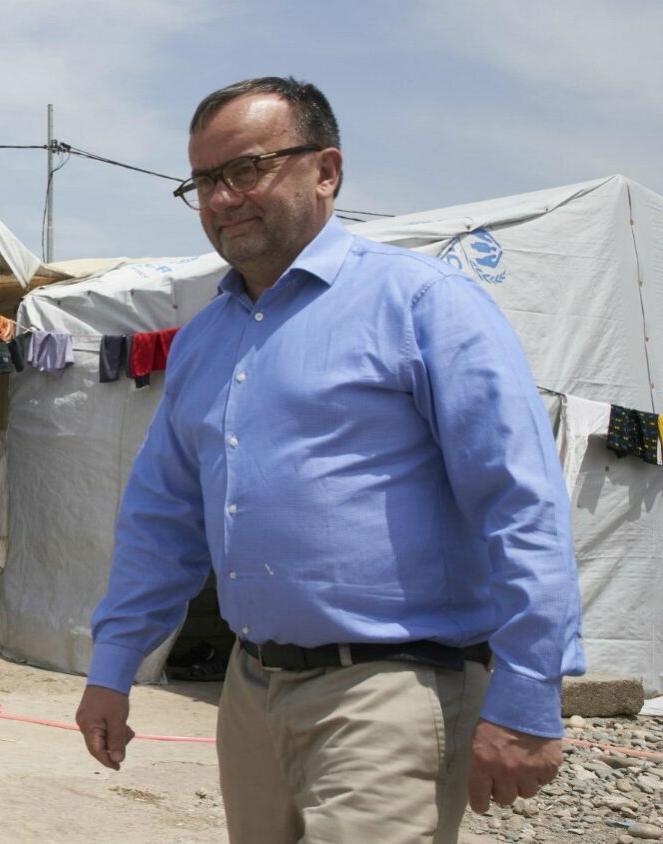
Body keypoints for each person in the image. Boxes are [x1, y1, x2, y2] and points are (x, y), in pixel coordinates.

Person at [73, 76, 584, 842]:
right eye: (205, 181)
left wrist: (530, 691)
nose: (222, 199)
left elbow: (519, 503)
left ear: (326, 170)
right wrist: (113, 665)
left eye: (246, 170)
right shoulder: (205, 341)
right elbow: (163, 517)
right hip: (251, 692)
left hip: (390, 689)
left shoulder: (423, 305)